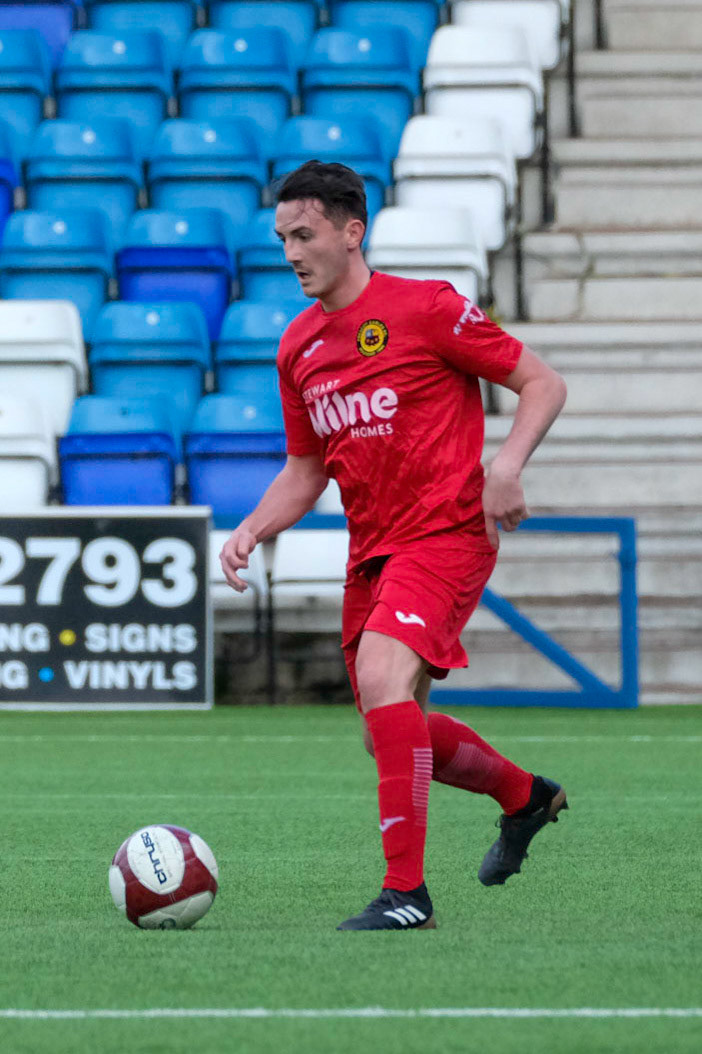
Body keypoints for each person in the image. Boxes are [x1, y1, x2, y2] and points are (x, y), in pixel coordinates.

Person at [220, 160, 569, 931]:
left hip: (444, 533)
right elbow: (305, 470)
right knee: (392, 732)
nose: (290, 253)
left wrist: (504, 467)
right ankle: (525, 796)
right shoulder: (298, 348)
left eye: (303, 235)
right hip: (370, 551)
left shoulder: (426, 310)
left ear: (353, 231)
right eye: (281, 239)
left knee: (383, 680)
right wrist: (252, 527)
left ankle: (406, 894)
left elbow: (542, 382)